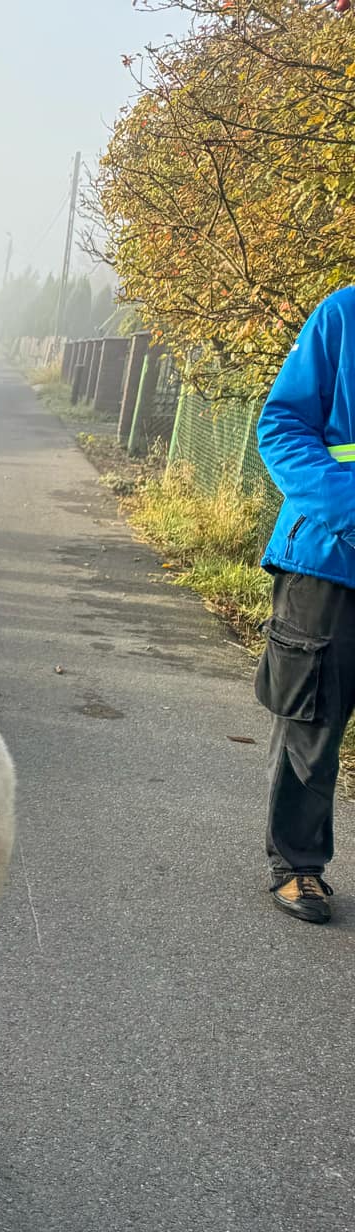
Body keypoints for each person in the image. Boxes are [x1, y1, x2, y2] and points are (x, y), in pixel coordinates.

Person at [254, 284, 355, 923]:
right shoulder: (343, 314)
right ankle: (297, 865)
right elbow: (282, 426)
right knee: (311, 721)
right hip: (327, 559)